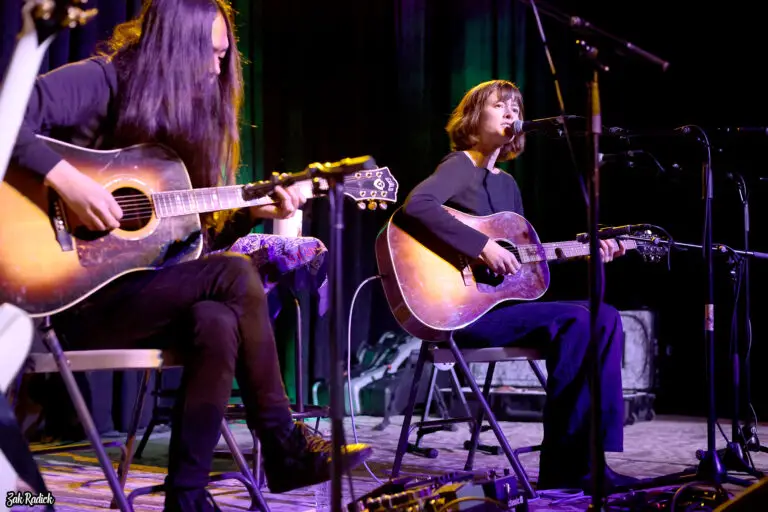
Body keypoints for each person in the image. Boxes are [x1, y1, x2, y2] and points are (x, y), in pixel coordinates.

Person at [8, 0, 371, 509]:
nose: (219, 70)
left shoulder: (177, 129)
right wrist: (68, 182)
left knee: (216, 320)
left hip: (134, 300)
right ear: (176, 46)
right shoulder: (100, 80)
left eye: (225, 57)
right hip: (64, 300)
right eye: (213, 54)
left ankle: (187, 497)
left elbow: (182, 248)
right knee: (235, 274)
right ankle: (283, 443)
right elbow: (5, 120)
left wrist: (249, 213)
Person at [400, 79, 638, 493]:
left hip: (502, 308)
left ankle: (588, 460)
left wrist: (584, 253)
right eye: (500, 105)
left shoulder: (508, 184)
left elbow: (524, 268)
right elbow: (417, 206)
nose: (512, 112)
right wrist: (482, 246)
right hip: (462, 312)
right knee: (579, 321)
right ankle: (568, 467)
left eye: (516, 107)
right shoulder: (460, 165)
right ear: (474, 118)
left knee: (604, 316)